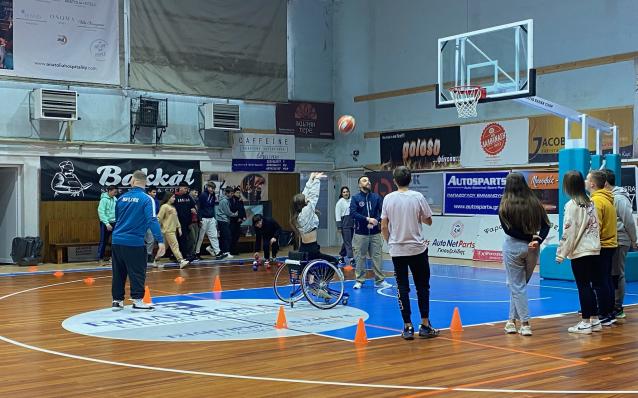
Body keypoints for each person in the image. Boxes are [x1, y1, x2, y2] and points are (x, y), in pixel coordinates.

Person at [381, 166, 439, 340]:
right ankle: (425, 325)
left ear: (394, 180)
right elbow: (429, 221)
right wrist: (419, 216)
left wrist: (389, 242)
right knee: (422, 286)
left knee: (402, 288)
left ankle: (407, 326)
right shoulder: (418, 197)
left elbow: (383, 225)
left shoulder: (388, 199)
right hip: (417, 249)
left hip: (397, 250)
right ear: (410, 179)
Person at [498, 172, 550, 336]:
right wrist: (537, 240)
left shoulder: (505, 205)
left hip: (513, 247)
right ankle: (511, 322)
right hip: (532, 249)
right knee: (518, 286)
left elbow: (509, 230)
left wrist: (529, 238)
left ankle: (525, 323)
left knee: (517, 286)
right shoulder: (535, 203)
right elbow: (546, 225)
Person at [111, 170, 165, 311]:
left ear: (132, 181)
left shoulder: (121, 198)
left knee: (118, 272)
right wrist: (160, 241)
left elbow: (117, 219)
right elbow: (152, 220)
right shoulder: (147, 199)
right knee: (138, 272)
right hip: (134, 242)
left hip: (117, 241)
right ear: (145, 183)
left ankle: (117, 301)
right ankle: (137, 301)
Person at [556, 171, 602, 334]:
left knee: (583, 286)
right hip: (594, 249)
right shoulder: (590, 202)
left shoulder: (571, 206)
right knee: (590, 286)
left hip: (581, 251)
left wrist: (561, 253)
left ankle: (584, 322)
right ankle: (595, 320)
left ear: (567, 186)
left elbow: (569, 232)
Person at [603, 169, 637, 320]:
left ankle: (618, 306)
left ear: (604, 182)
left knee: (617, 273)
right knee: (609, 274)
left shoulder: (619, 198)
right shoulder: (606, 197)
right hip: (609, 241)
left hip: (620, 240)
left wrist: (634, 240)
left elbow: (629, 221)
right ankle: (607, 305)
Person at [585, 170, 618, 326]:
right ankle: (609, 312)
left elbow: (595, 226)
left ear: (592, 183)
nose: (585, 181)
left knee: (599, 282)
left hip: (602, 245)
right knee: (606, 280)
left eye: (587, 179)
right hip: (609, 244)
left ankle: (604, 313)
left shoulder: (597, 201)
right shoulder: (607, 199)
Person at [350, 175, 390, 289]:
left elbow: (381, 211)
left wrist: (376, 220)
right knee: (359, 257)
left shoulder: (376, 197)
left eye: (368, 180)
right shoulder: (355, 198)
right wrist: (367, 219)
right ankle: (359, 280)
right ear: (359, 185)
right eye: (364, 180)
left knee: (377, 256)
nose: (367, 182)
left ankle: (379, 281)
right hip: (360, 234)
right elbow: (353, 213)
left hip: (375, 233)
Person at [290, 172, 338, 264]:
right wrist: (316, 180)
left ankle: (311, 277)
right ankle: (321, 278)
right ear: (302, 203)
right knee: (334, 261)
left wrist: (310, 179)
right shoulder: (306, 212)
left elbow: (304, 194)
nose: (306, 199)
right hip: (311, 248)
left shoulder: (298, 214)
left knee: (311, 269)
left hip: (305, 247)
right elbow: (313, 196)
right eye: (305, 199)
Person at [156, 192, 189, 269]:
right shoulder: (164, 207)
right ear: (168, 198)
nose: (174, 199)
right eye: (173, 197)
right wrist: (156, 228)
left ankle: (156, 261)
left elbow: (176, 219)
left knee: (163, 248)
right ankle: (181, 261)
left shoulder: (173, 207)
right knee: (175, 245)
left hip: (172, 230)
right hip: (167, 230)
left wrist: (179, 228)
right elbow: (159, 218)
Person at [195, 181, 224, 259]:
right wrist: (200, 219)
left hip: (211, 218)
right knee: (200, 237)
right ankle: (197, 253)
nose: (212, 189)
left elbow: (212, 207)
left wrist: (214, 218)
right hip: (203, 218)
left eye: (213, 188)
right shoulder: (203, 195)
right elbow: (199, 207)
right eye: (210, 188)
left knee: (214, 236)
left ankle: (217, 252)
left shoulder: (213, 195)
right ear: (207, 187)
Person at [174, 182, 197, 261]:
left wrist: (194, 209)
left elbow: (194, 206)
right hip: (179, 222)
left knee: (191, 239)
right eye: (185, 188)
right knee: (181, 240)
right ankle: (183, 255)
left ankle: (189, 253)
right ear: (180, 188)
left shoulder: (188, 197)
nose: (186, 190)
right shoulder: (175, 197)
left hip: (188, 222)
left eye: (187, 189)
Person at [97, 185, 118, 264]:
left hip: (114, 222)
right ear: (109, 191)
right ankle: (100, 258)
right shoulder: (103, 200)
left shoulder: (115, 199)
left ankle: (112, 258)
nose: (115, 193)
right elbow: (101, 212)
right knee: (103, 241)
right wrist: (106, 223)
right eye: (114, 192)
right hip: (105, 223)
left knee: (115, 241)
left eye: (116, 192)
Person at [216, 186, 237, 258]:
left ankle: (223, 252)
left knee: (223, 237)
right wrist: (235, 214)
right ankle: (226, 252)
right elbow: (227, 212)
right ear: (227, 193)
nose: (232, 195)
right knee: (227, 237)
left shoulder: (225, 200)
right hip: (223, 220)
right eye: (231, 193)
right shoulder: (224, 201)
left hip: (222, 220)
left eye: (232, 193)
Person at [335, 186, 354, 265]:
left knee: (347, 241)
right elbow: (337, 215)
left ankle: (341, 256)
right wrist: (339, 227)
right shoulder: (340, 202)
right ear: (341, 194)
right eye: (344, 192)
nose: (346, 193)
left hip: (351, 224)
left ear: (349, 192)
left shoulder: (351, 200)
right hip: (344, 224)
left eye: (347, 192)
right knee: (348, 242)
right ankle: (351, 258)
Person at [144, 187, 160, 264]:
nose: (155, 194)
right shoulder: (144, 200)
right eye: (153, 192)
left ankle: (149, 255)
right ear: (149, 192)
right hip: (142, 223)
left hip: (151, 223)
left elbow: (157, 212)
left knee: (151, 239)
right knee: (141, 240)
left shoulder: (156, 201)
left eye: (155, 192)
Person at [230, 186, 247, 255]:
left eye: (239, 192)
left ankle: (235, 250)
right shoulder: (232, 200)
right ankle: (231, 251)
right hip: (233, 221)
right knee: (232, 236)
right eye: (237, 192)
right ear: (233, 193)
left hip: (238, 221)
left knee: (237, 236)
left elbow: (242, 209)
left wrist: (244, 216)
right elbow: (233, 210)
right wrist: (238, 217)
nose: (238, 194)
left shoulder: (240, 200)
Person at [189, 188, 201, 259]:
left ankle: (193, 254)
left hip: (196, 221)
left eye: (197, 193)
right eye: (195, 192)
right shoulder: (187, 199)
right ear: (190, 191)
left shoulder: (197, 201)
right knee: (192, 239)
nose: (196, 194)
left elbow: (198, 212)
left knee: (195, 239)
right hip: (190, 222)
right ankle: (190, 254)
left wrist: (199, 220)